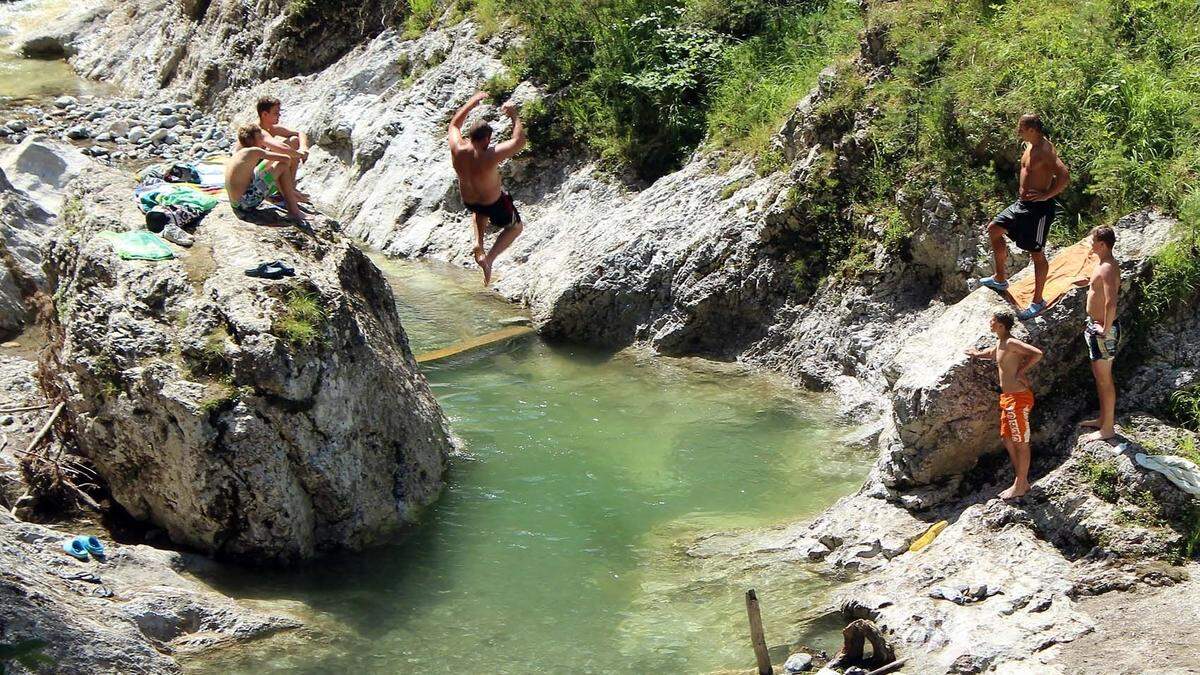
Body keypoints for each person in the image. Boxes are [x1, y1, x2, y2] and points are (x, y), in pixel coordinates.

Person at [977, 114, 1071, 319]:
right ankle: (1000, 278)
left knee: (1036, 253)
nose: (1018, 131)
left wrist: (1046, 195)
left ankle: (1038, 301)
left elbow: (1064, 175)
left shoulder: (1045, 151)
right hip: (1022, 204)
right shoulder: (1030, 146)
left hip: (1039, 210)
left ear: (1032, 130)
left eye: (1021, 128)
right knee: (994, 229)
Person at [448, 91, 527, 285]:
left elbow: (453, 125)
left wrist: (472, 101)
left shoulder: (457, 148)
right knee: (516, 227)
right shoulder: (490, 155)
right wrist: (514, 115)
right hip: (493, 203)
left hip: (469, 201)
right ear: (486, 139)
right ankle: (489, 259)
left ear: (470, 136)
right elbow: (519, 141)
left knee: (479, 211)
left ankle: (478, 243)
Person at [966, 310, 1044, 500]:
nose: (989, 322)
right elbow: (993, 354)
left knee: (1021, 443)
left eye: (992, 320)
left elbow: (1037, 353)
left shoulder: (1011, 342)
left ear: (1000, 325)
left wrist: (1021, 372)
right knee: (1007, 438)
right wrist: (976, 354)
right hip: (1008, 399)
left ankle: (1020, 484)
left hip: (1018, 399)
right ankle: (1021, 480)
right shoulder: (1001, 342)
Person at [1080, 226, 1121, 441]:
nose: (1090, 243)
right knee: (1099, 377)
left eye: (1093, 240)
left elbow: (1110, 301)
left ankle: (1108, 429)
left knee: (1105, 380)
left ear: (1102, 244)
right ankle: (1103, 419)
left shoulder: (1107, 267)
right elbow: (1097, 290)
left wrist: (1104, 329)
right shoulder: (1102, 265)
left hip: (1103, 330)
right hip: (1095, 327)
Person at [225, 124, 309, 223]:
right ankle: (293, 211)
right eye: (260, 138)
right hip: (245, 202)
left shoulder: (241, 152)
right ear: (251, 140)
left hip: (236, 203)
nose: (262, 141)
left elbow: (271, 159)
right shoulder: (254, 151)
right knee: (282, 165)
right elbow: (286, 159)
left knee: (273, 163)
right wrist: (301, 155)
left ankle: (288, 194)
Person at [255, 96, 310, 202]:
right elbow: (281, 148)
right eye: (275, 113)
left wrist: (304, 147)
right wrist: (300, 155)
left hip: (264, 172)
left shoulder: (272, 129)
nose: (279, 115)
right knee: (284, 156)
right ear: (265, 114)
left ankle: (290, 187)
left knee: (293, 141)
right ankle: (287, 192)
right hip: (253, 178)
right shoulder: (257, 131)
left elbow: (300, 133)